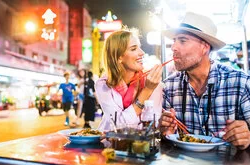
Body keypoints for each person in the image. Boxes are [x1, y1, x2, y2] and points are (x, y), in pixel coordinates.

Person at [159, 12, 250, 150]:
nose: (173, 47)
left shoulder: (239, 82)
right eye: (174, 41)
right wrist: (165, 133)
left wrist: (247, 135)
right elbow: (167, 139)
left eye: (182, 41)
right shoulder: (169, 86)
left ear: (205, 47)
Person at [95, 28, 163, 132]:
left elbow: (151, 125)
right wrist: (147, 91)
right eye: (133, 49)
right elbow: (118, 125)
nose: (142, 53)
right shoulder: (104, 84)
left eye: (140, 47)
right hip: (111, 144)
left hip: (142, 145)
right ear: (119, 57)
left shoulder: (153, 82)